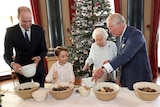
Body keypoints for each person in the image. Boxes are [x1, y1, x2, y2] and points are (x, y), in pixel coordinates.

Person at [91, 13, 152, 90]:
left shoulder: (136, 35)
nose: (109, 31)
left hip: (139, 78)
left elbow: (126, 56)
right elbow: (120, 57)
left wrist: (104, 69)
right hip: (126, 79)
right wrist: (111, 62)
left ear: (120, 24)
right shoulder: (119, 37)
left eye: (111, 27)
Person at [4, 6, 47, 87]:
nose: (27, 24)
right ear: (18, 18)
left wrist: (39, 58)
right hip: (21, 70)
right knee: (26, 96)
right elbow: (7, 55)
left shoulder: (39, 30)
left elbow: (44, 50)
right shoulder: (10, 32)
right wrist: (13, 65)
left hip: (38, 69)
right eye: (24, 21)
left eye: (29, 21)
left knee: (41, 94)